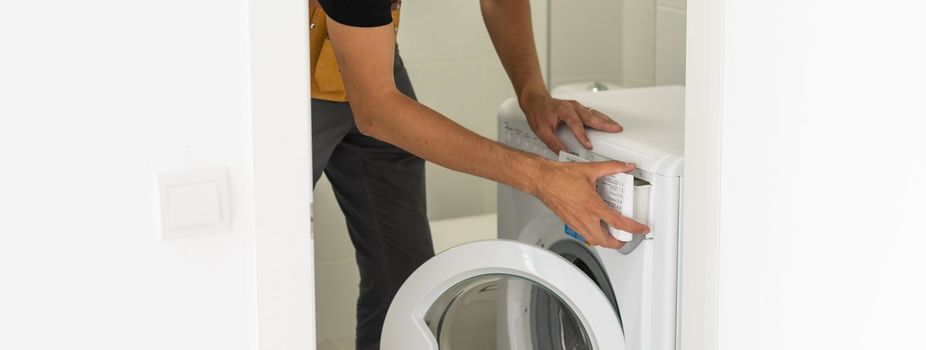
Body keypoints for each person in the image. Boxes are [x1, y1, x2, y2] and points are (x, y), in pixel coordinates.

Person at [310, 0, 650, 348]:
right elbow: (376, 110)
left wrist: (532, 94)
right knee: (268, 258)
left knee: (402, 276)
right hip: (283, 66)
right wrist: (539, 177)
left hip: (363, 48)